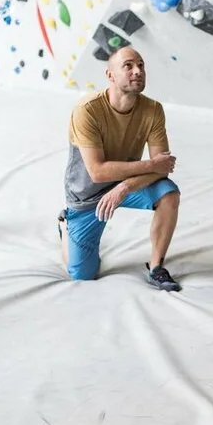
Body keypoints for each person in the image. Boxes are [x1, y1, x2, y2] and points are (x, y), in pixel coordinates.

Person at [58, 46, 183, 291]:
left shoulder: (153, 110)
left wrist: (125, 187)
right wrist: (150, 165)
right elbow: (97, 172)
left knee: (168, 193)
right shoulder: (87, 110)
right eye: (128, 66)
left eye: (141, 65)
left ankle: (156, 267)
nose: (138, 71)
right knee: (82, 275)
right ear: (110, 75)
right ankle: (65, 225)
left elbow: (163, 168)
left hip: (127, 184)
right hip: (87, 195)